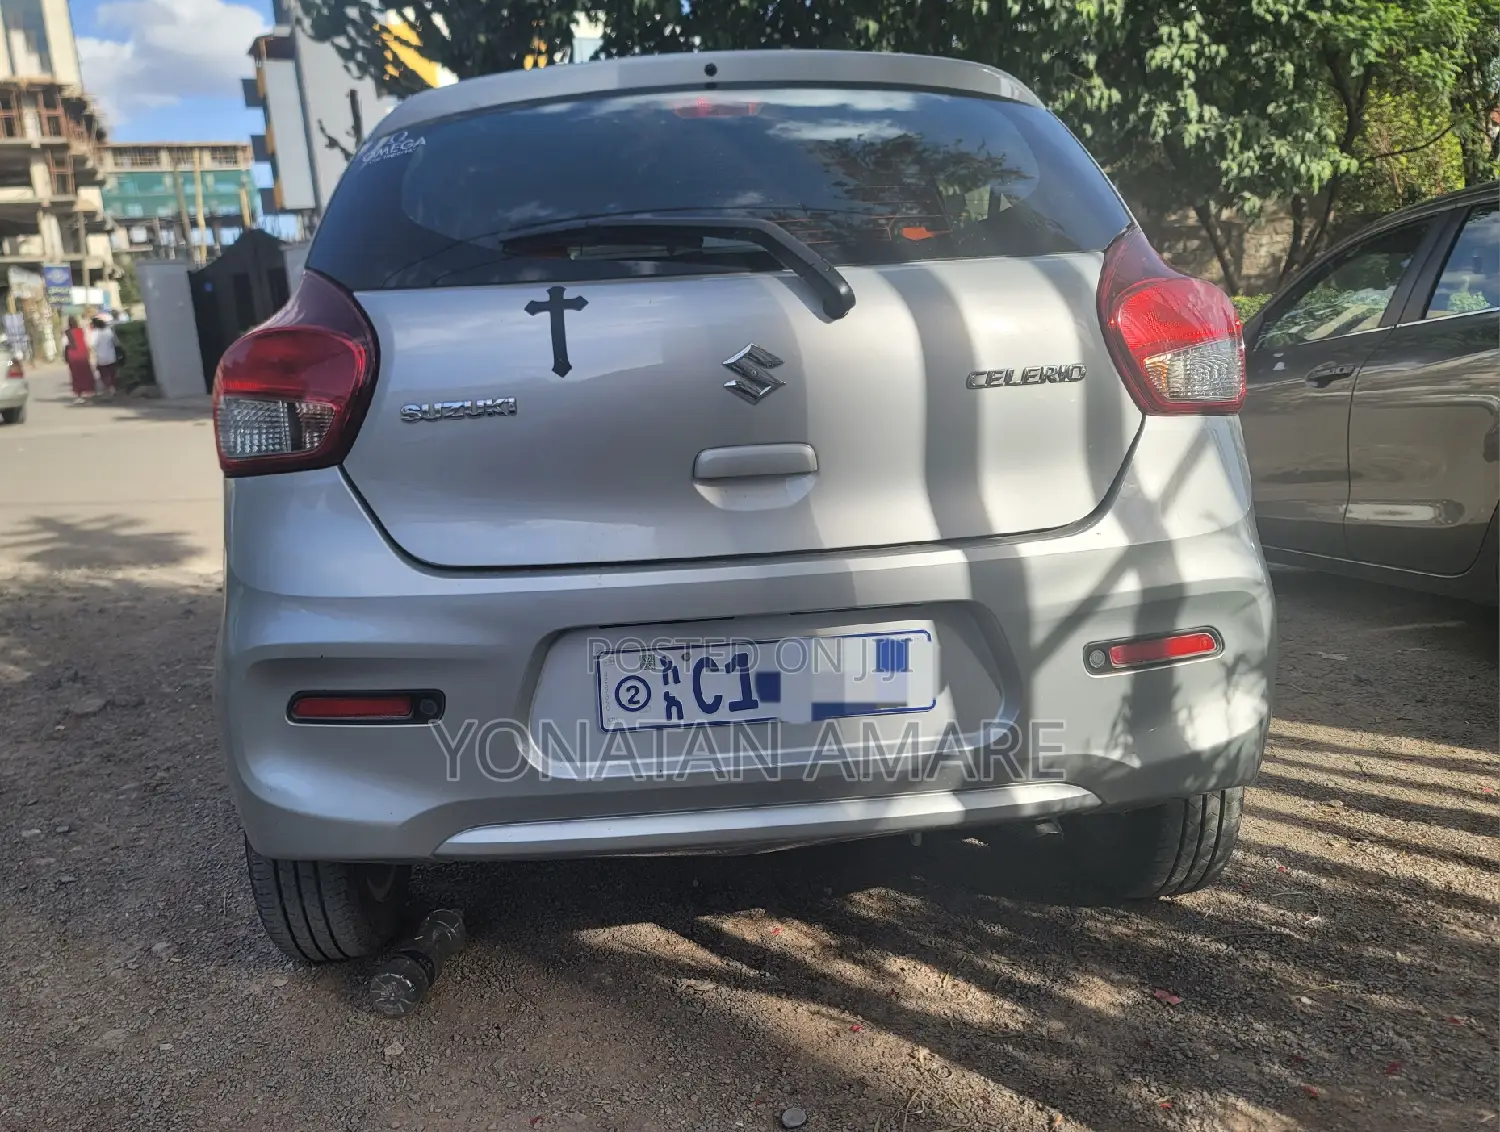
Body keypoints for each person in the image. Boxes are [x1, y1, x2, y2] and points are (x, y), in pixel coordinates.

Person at [64, 316, 94, 404]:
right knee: (86, 374)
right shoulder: (81, 331)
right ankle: (89, 394)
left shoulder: (67, 333)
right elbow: (87, 342)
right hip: (82, 353)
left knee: (76, 375)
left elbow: (65, 344)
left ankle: (79, 395)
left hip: (73, 355)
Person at [90, 316, 119, 396]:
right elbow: (116, 342)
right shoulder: (109, 331)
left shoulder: (95, 333)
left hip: (101, 357)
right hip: (111, 356)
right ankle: (112, 387)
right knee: (112, 372)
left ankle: (107, 386)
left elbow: (92, 345)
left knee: (103, 374)